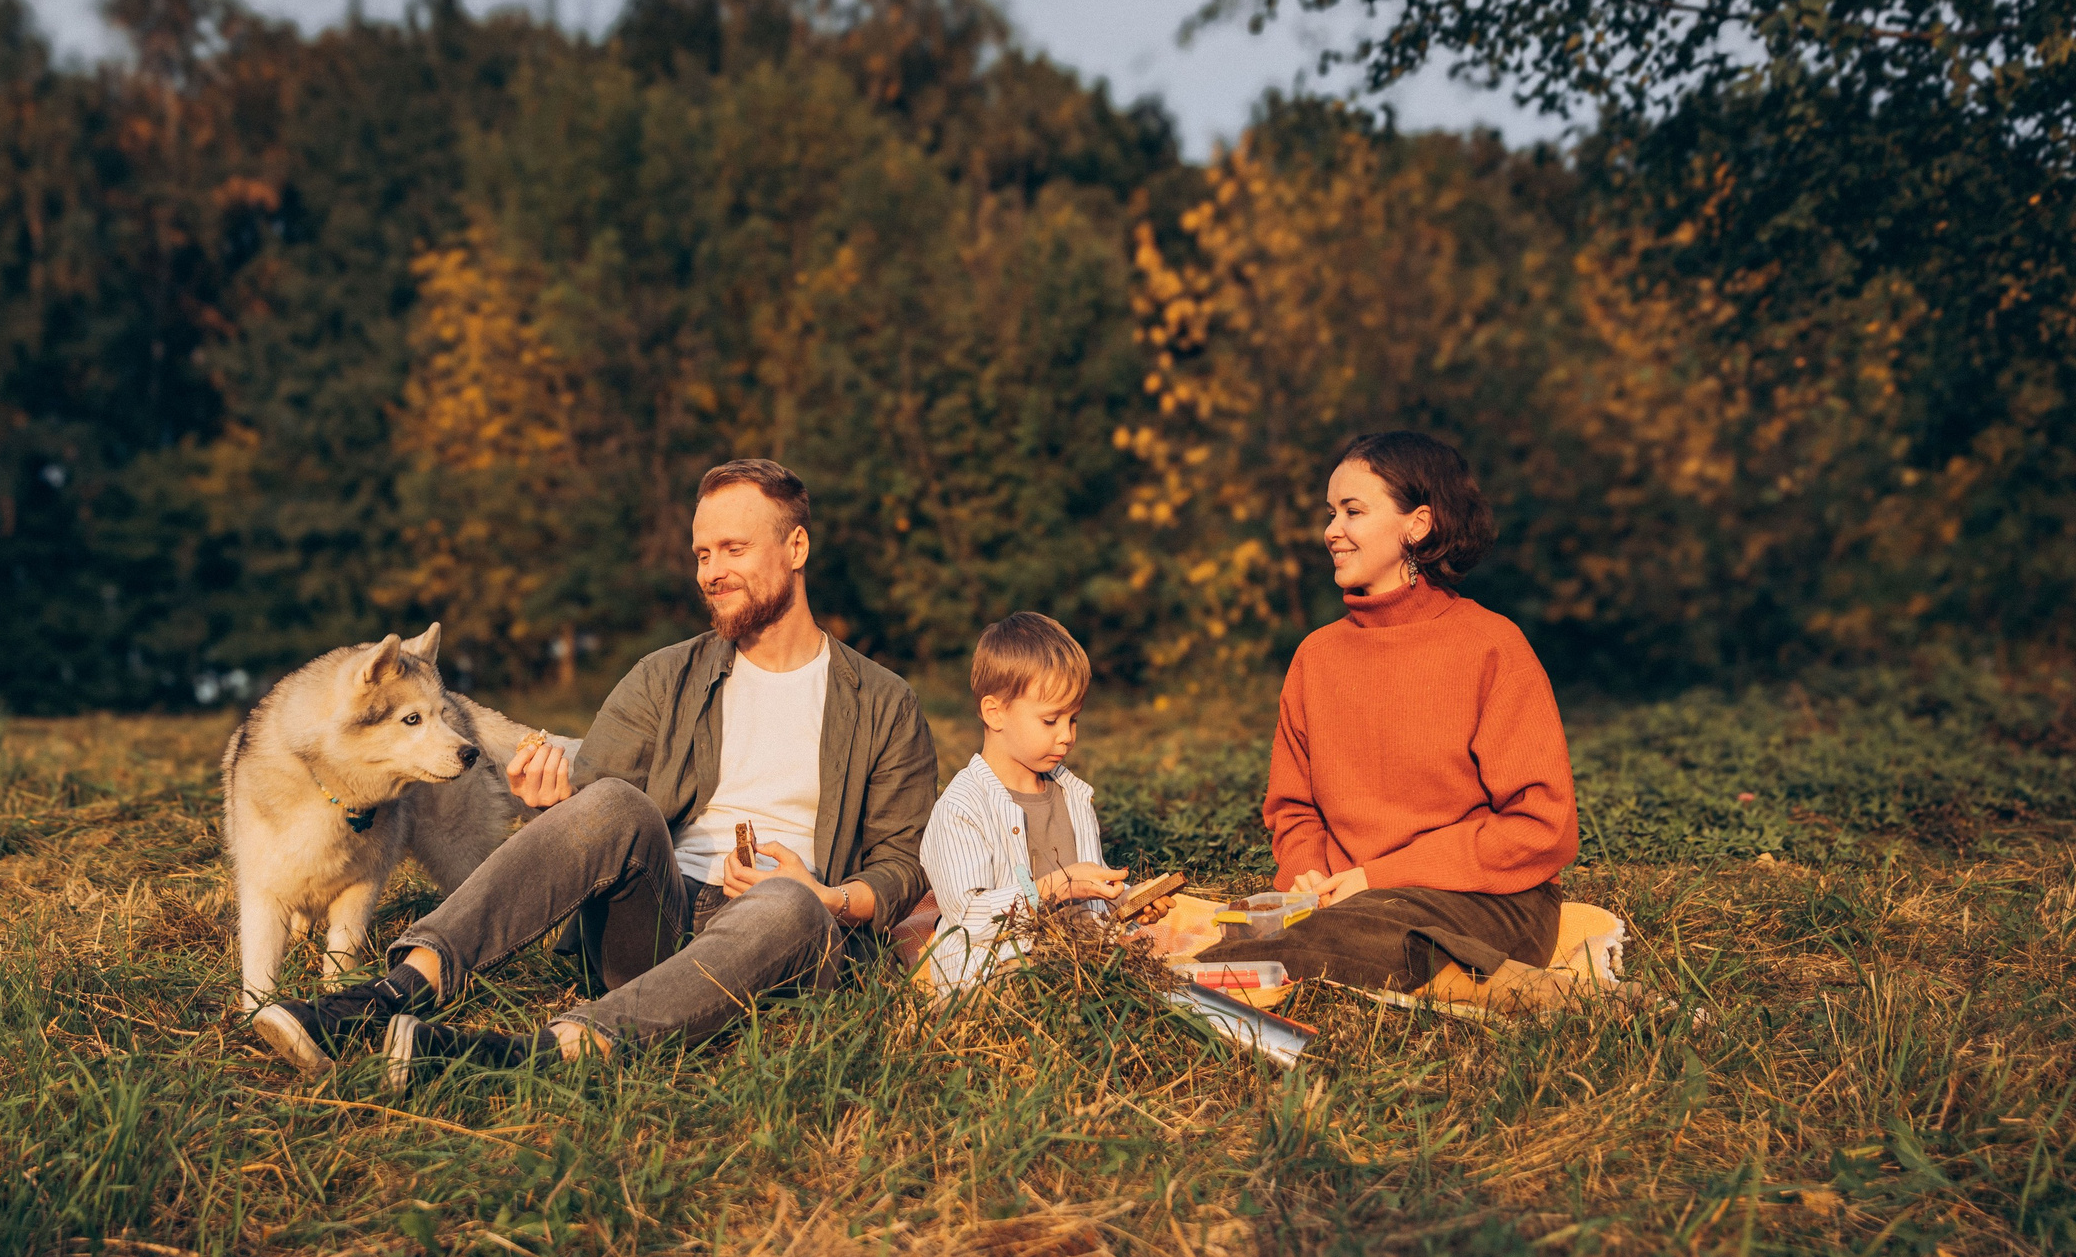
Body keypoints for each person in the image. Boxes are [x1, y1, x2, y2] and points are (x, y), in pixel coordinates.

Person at [251, 458, 939, 1083]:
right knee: (614, 800)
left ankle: (531, 1058)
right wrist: (551, 806)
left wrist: (828, 896)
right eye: (701, 553)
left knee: (784, 904)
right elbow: (593, 815)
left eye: (733, 548)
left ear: (796, 548)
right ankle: (385, 995)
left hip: (784, 936)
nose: (710, 571)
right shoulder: (665, 675)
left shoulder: (882, 701)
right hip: (658, 919)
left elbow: (905, 864)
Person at [1193, 430, 1585, 1009]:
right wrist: (1306, 873)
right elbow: (1292, 808)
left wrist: (1380, 878)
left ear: (1417, 525)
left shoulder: (1492, 646)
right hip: (1348, 902)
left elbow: (1540, 827)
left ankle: (1188, 985)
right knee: (1250, 924)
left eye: (1353, 511)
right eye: (1331, 513)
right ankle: (1223, 974)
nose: (1331, 530)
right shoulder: (1316, 656)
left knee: (1354, 934)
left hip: (1490, 902)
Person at [916, 612, 1170, 992]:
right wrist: (1057, 887)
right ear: (994, 713)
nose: (1067, 736)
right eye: (1051, 721)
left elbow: (1090, 891)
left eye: (1074, 720)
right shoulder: (962, 808)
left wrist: (1127, 900)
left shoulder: (1072, 796)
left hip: (1081, 961)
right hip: (996, 973)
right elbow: (970, 916)